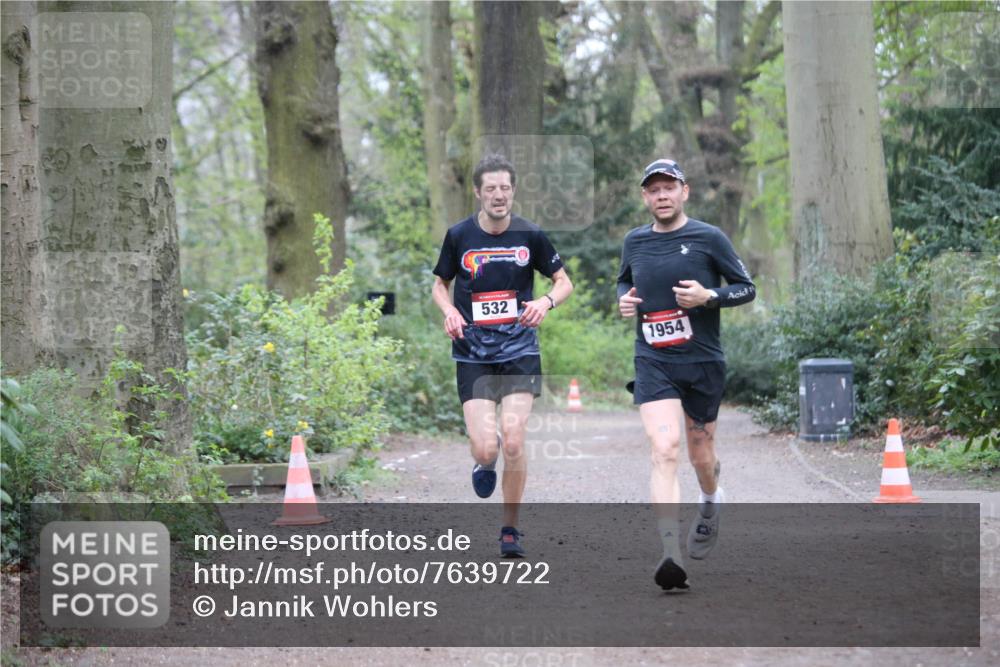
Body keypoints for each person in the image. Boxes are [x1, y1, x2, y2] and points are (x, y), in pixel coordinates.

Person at [617, 158, 756, 590]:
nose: (662, 196)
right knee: (664, 449)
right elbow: (624, 281)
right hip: (653, 361)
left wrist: (708, 296)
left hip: (701, 363)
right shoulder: (634, 241)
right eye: (654, 189)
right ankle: (670, 553)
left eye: (669, 188)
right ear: (645, 197)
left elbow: (746, 287)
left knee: (700, 456)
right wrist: (624, 299)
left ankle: (711, 500)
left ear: (684, 192)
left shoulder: (708, 238)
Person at [432, 153, 573, 558]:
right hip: (472, 351)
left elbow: (563, 282)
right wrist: (449, 311)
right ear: (478, 192)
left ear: (513, 191)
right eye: (491, 188)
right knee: (487, 448)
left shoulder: (531, 234)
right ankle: (484, 461)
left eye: (505, 188)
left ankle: (510, 529)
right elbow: (440, 284)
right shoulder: (459, 235)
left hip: (519, 347)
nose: (499, 195)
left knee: (513, 440)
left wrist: (545, 302)